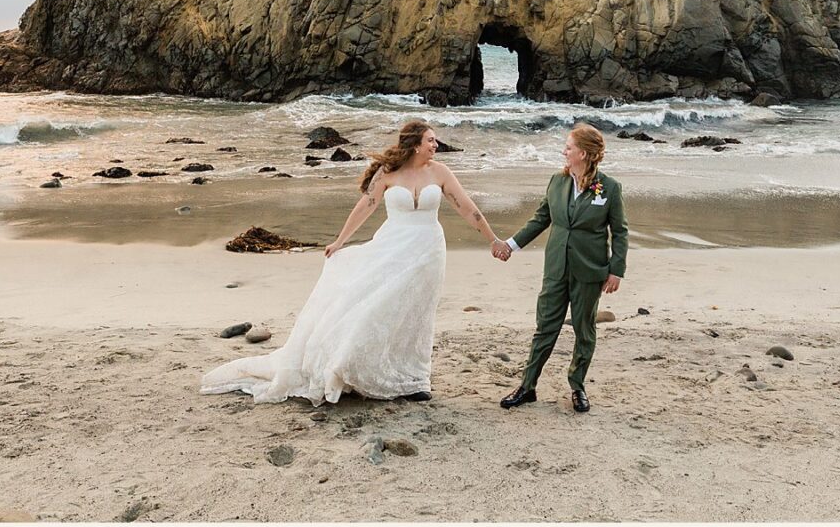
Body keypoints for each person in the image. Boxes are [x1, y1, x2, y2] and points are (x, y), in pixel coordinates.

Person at [201, 120, 504, 405]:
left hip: (428, 250)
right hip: (392, 247)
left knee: (417, 312)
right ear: (415, 145)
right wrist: (340, 241)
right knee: (379, 306)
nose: (436, 145)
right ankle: (354, 365)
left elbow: (467, 207)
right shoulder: (388, 172)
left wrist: (492, 238)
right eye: (430, 140)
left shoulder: (440, 172)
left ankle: (416, 380)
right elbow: (366, 206)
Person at [492, 122, 628, 413]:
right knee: (545, 327)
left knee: (584, 329)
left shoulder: (610, 188)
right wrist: (510, 245)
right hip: (556, 268)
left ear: (584, 153)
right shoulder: (557, 182)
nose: (564, 151)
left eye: (569, 147)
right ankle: (527, 386)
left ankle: (577, 386)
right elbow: (540, 219)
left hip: (590, 271)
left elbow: (620, 231)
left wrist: (616, 270)